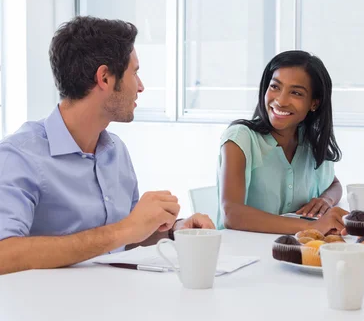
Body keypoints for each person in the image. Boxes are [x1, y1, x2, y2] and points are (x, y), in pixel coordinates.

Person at [0, 16, 214, 275]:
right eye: (134, 72)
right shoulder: (19, 155)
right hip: (55, 311)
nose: (141, 86)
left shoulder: (115, 150)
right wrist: (124, 230)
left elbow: (128, 236)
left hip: (117, 302)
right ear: (104, 78)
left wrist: (173, 230)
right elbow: (4, 254)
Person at [218, 50, 347, 234]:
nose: (280, 100)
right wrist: (313, 226)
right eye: (275, 87)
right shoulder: (241, 138)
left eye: (296, 92)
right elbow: (231, 214)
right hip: (240, 254)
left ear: (314, 103)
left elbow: (334, 184)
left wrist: (326, 200)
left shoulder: (310, 142)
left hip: (293, 251)